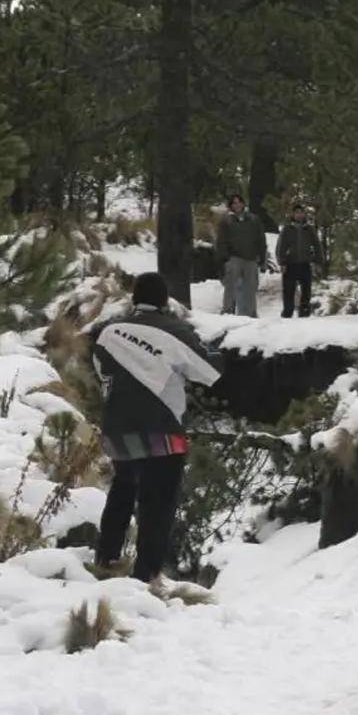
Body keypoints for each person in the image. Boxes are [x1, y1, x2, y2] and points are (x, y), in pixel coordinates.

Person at [92, 273, 222, 583]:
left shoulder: (108, 332)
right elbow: (210, 371)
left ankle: (106, 560)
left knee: (123, 490)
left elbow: (101, 374)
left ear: (134, 299)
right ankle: (146, 576)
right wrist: (211, 348)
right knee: (158, 503)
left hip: (118, 429)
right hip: (162, 430)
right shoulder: (175, 331)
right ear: (165, 301)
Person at [215, 194, 266, 317]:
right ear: (231, 206)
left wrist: (262, 257)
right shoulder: (226, 220)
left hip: (251, 258)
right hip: (234, 257)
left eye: (239, 202)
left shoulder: (253, 219)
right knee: (230, 287)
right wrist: (224, 259)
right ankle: (227, 311)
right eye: (234, 203)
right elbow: (221, 241)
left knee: (251, 288)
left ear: (243, 204)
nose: (237, 205)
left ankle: (251, 313)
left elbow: (261, 239)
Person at [276, 204, 324, 318]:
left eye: (301, 212)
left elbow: (317, 245)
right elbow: (280, 246)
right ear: (293, 214)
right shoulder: (287, 229)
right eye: (296, 212)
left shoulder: (309, 229)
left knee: (306, 290)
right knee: (288, 290)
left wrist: (318, 261)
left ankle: (305, 312)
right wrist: (282, 262)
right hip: (290, 264)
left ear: (304, 214)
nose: (299, 215)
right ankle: (287, 312)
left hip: (305, 263)